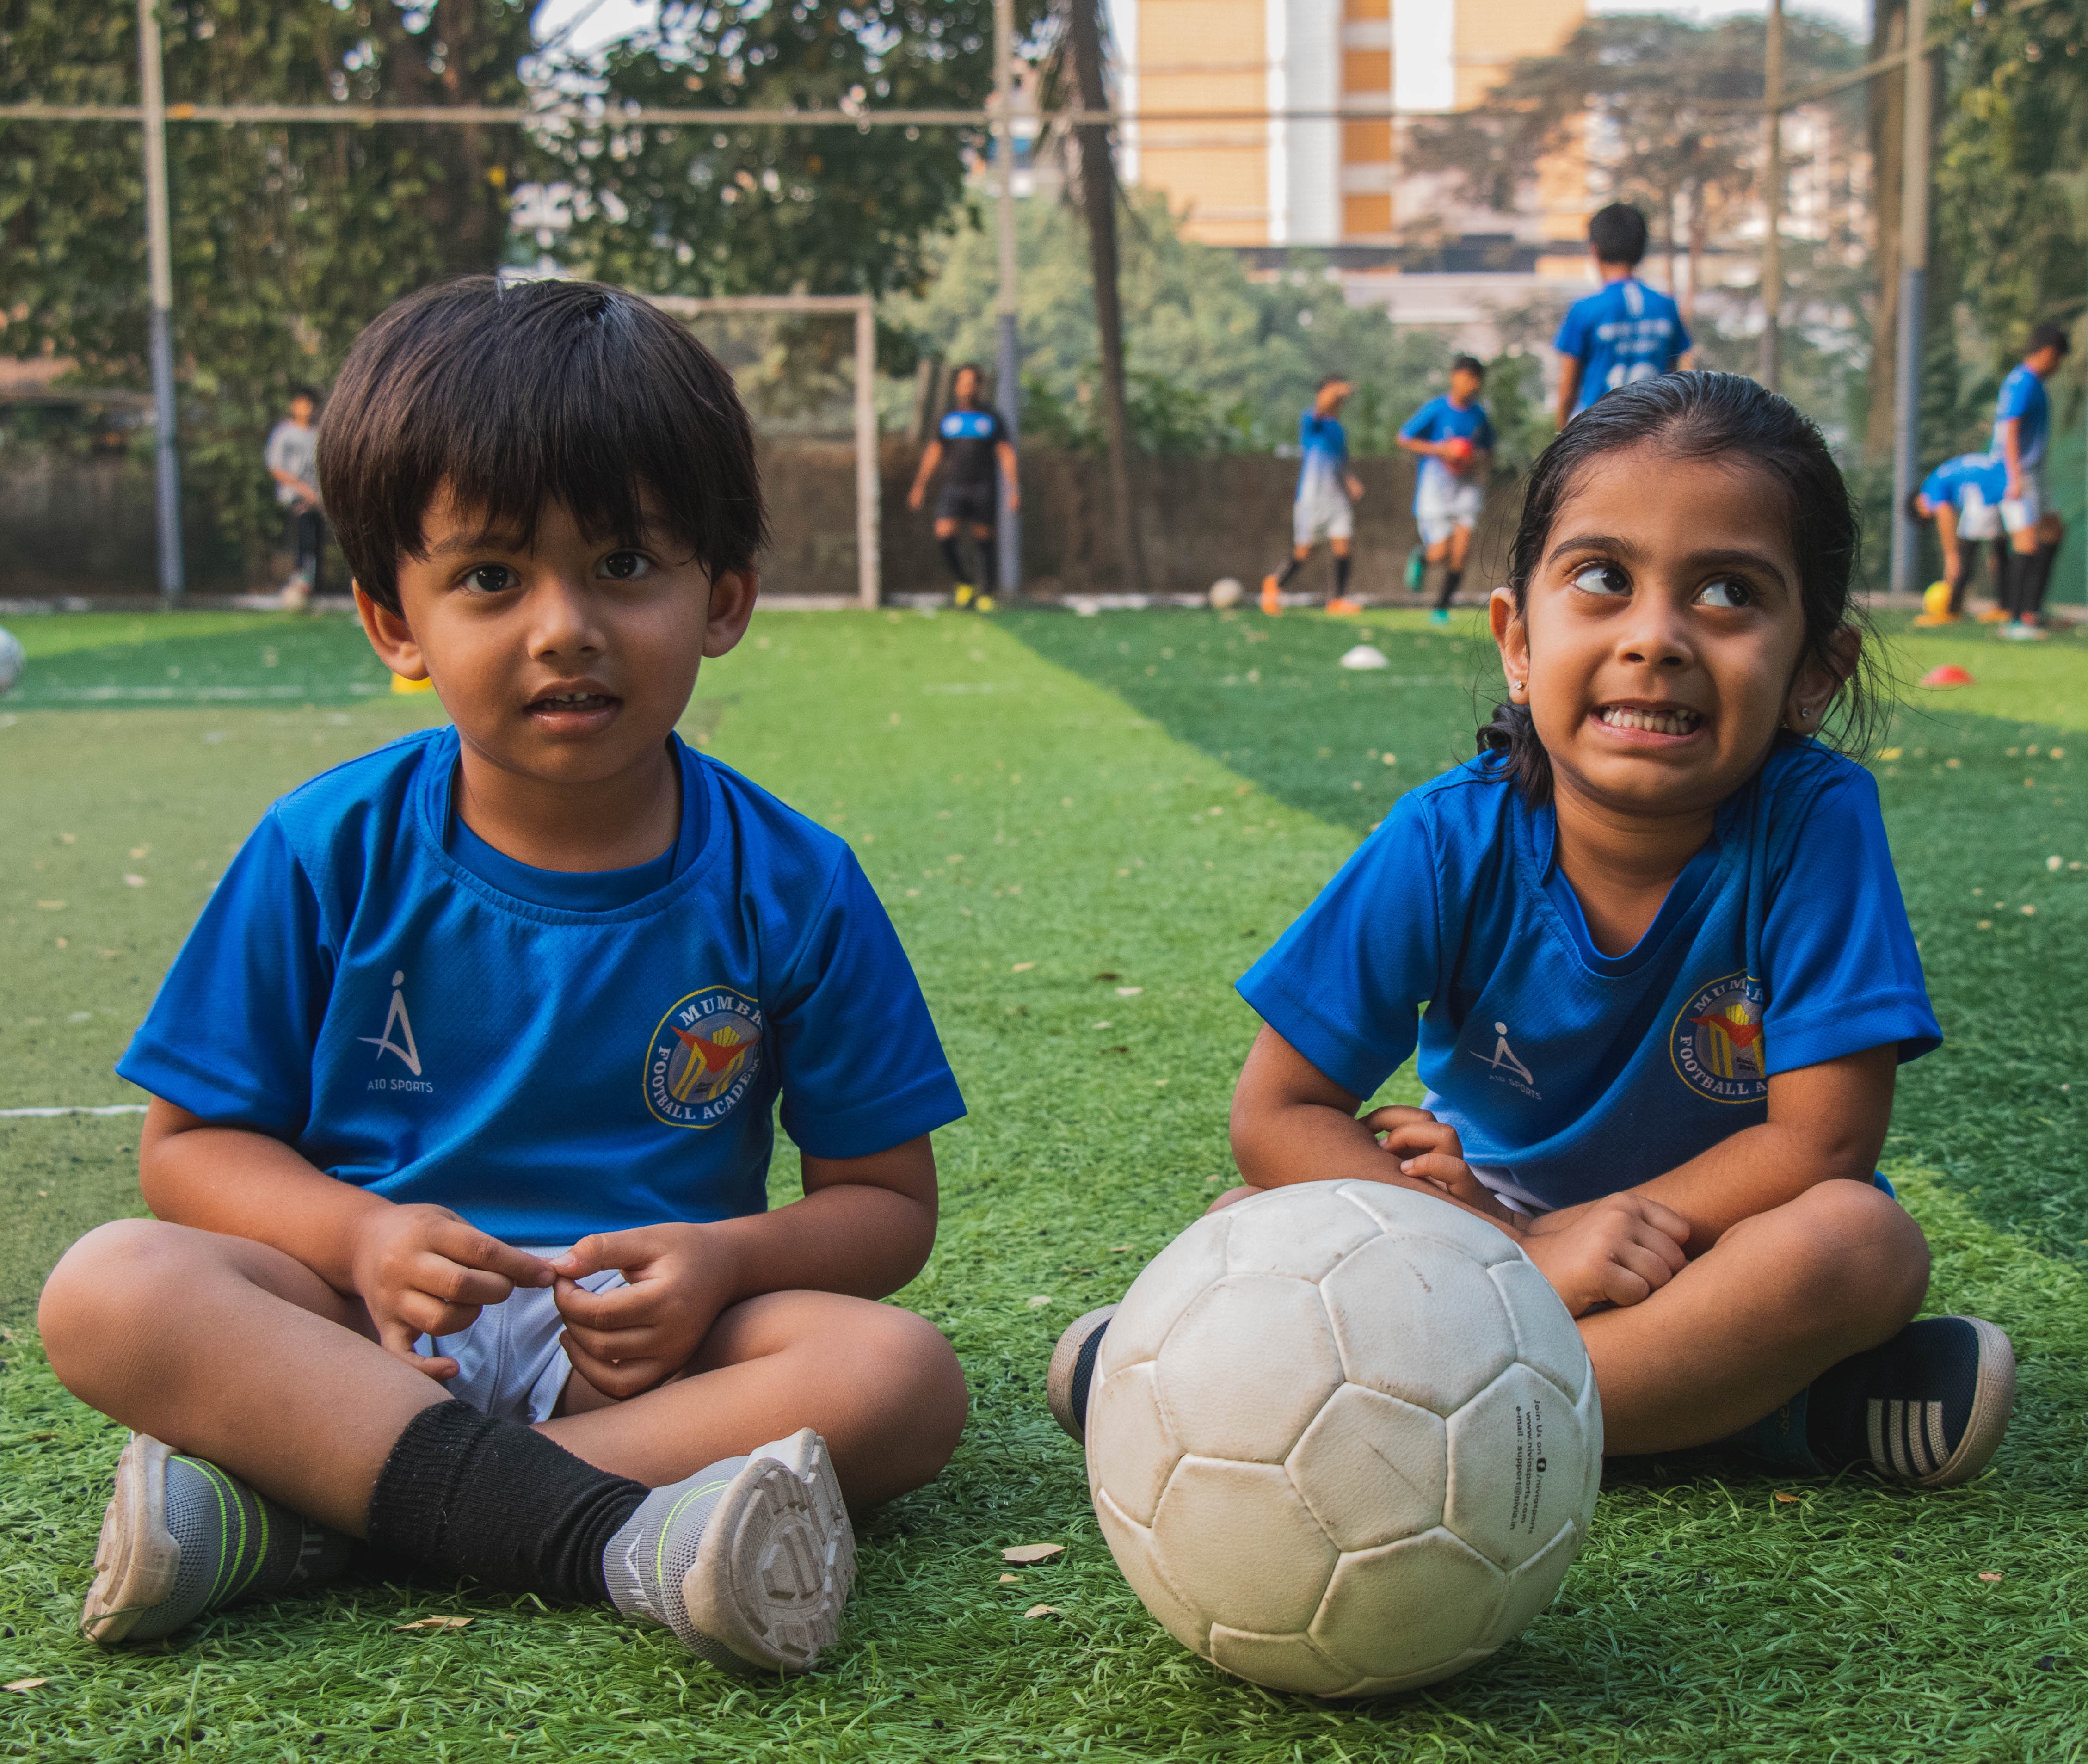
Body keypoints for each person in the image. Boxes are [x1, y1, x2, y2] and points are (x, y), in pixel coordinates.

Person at [38, 279, 971, 1669]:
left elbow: (884, 1205)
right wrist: (358, 1236)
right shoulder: (324, 847)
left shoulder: (794, 879)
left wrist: (722, 1257)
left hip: (647, 1360)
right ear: (392, 622)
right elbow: (189, 1153)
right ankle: (598, 1531)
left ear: (722, 598)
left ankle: (320, 1507)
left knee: (902, 1377)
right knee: (110, 1285)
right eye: (490, 576)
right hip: (360, 1334)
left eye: (621, 565)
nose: (561, 625)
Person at [1052, 372, 2015, 1493]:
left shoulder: (1816, 822)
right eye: (1604, 578)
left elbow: (1823, 1144)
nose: (1655, 637)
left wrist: (1603, 1232)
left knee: (1861, 1244)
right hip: (1481, 1233)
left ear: (1813, 673)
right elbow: (1277, 1112)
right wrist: (1519, 1252)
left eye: (1729, 592)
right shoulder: (1446, 837)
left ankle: (1334, 1408)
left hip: (1715, 1244)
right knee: (1251, 1218)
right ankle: (1771, 1408)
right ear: (1517, 635)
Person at [1553, 204, 1693, 428]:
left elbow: (1568, 388)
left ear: (1594, 250)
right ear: (1641, 250)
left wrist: (1562, 434)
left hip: (1596, 433)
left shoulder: (1584, 310)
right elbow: (1675, 376)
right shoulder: (1666, 307)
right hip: (1653, 430)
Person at [906, 363, 1018, 612]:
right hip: (954, 488)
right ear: (957, 386)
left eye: (972, 382)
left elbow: (1005, 453)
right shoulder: (947, 419)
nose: (967, 387)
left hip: (983, 489)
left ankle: (988, 592)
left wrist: (1014, 488)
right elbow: (934, 451)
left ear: (979, 386)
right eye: (963, 382)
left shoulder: (991, 418)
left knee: (984, 540)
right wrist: (919, 485)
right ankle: (964, 582)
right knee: (944, 535)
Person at [1398, 356, 1496, 627]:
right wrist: (1441, 450)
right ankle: (1422, 557)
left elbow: (1490, 450)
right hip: (1436, 490)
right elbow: (1404, 438)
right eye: (1468, 377)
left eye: (1477, 380)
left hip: (1467, 488)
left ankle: (1442, 606)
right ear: (1454, 377)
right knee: (1440, 553)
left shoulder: (1479, 416)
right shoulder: (1436, 409)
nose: (1472, 384)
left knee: (1462, 552)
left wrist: (1474, 457)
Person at [1989, 322, 2071, 641]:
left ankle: (2032, 611)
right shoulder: (2022, 382)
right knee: (2025, 542)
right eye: (2058, 360)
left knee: (2052, 531)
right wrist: (2013, 478)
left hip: (2032, 471)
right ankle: (2013, 621)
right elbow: (2009, 429)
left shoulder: (2033, 382)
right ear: (2048, 352)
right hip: (2018, 472)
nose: (2057, 367)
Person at [1261, 375, 1367, 617]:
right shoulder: (1312, 420)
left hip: (1336, 499)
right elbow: (1323, 406)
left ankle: (1338, 599)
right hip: (1312, 499)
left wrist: (1351, 483)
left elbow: (1340, 463)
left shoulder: (1339, 430)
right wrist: (1336, 391)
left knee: (1343, 547)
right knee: (1304, 553)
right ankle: (1274, 584)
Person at [1905, 451, 2008, 624]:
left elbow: (1945, 515)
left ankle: (1951, 611)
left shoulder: (1931, 488)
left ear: (1919, 503)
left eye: (1927, 516)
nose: (1932, 516)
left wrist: (1951, 555)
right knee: (2000, 551)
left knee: (1965, 553)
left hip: (1983, 489)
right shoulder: (1942, 476)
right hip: (2002, 479)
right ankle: (2008, 607)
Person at [265, 385, 325, 609]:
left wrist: (316, 495)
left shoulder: (316, 434)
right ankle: (298, 580)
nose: (305, 408)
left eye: (309, 404)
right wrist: (302, 490)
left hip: (316, 500)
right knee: (302, 535)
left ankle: (313, 587)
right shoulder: (284, 433)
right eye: (301, 403)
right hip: (293, 497)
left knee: (316, 541)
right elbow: (276, 468)